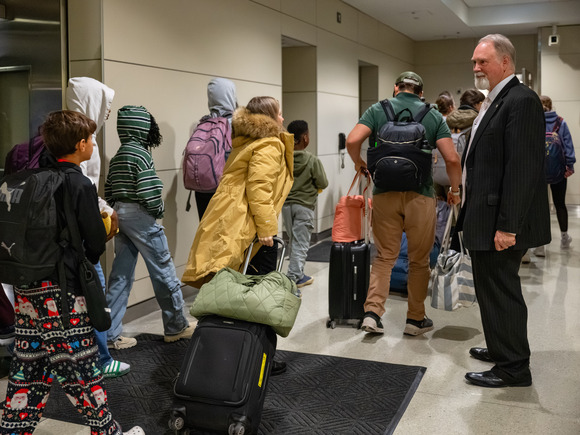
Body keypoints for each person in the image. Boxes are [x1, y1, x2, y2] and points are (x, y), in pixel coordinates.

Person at [0, 110, 144, 435]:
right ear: (81, 145)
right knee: (81, 365)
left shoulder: (36, 178)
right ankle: (108, 431)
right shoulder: (79, 183)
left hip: (28, 288)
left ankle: (13, 430)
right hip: (62, 292)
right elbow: (92, 246)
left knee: (30, 364)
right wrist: (105, 230)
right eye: (91, 139)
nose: (93, 144)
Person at [458, 34, 551, 388]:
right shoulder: (494, 100)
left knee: (501, 290)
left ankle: (514, 367)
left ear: (505, 63)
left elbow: (523, 169)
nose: (476, 67)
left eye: (482, 61)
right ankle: (501, 347)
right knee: (489, 289)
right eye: (474, 62)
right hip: (485, 216)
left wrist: (509, 226)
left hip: (503, 221)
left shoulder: (521, 100)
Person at [182, 96, 294, 375]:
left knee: (233, 290)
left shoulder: (246, 141)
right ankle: (254, 357)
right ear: (269, 117)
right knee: (258, 295)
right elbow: (260, 187)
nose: (282, 118)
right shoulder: (269, 144)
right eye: (279, 114)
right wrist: (268, 229)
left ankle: (232, 353)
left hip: (231, 222)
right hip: (250, 230)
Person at [346, 72, 462, 336]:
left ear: (395, 89)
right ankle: (415, 319)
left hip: (385, 194)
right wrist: (455, 190)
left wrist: (359, 163)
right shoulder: (431, 115)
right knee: (419, 261)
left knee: (385, 257)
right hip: (420, 196)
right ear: (421, 92)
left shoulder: (378, 109)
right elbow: (452, 159)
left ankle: (372, 313)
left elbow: (353, 140)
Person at [105, 105, 194, 348]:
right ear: (142, 128)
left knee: (120, 276)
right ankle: (176, 326)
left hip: (120, 214)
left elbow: (109, 189)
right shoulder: (141, 154)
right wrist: (158, 210)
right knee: (163, 270)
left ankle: (111, 334)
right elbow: (150, 190)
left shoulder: (119, 153)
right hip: (141, 216)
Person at [66, 76, 129, 378]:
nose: (108, 112)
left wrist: (105, 208)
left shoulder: (69, 134)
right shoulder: (78, 141)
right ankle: (100, 360)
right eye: (105, 104)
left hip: (69, 238)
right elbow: (81, 190)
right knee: (94, 296)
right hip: (78, 240)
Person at [282, 120, 328, 288]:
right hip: (304, 206)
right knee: (301, 243)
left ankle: (298, 273)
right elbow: (323, 182)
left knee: (294, 240)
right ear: (305, 138)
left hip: (286, 206)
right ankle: (293, 277)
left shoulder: (284, 159)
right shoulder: (312, 160)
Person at [533, 95, 575, 256]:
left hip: (538, 171)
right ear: (551, 106)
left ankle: (540, 245)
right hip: (559, 171)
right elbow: (568, 144)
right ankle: (564, 237)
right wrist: (569, 165)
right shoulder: (560, 122)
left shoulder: (534, 121)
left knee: (540, 207)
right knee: (560, 204)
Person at [193, 77, 238, 220]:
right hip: (227, 189)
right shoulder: (237, 124)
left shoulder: (203, 123)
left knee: (206, 232)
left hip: (202, 189)